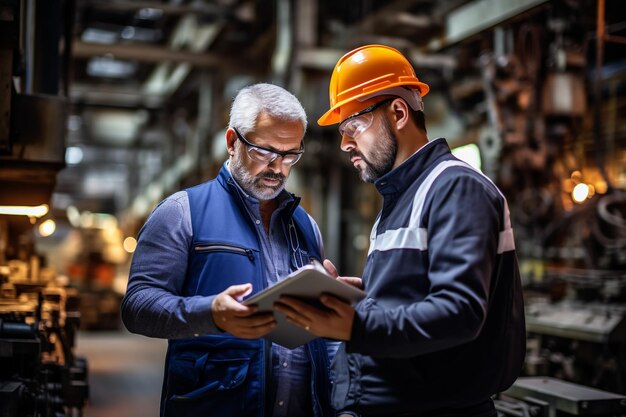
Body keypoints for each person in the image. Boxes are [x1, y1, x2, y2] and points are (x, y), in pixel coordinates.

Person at [274, 44, 526, 417]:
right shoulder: (399, 199)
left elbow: (459, 312)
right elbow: (412, 295)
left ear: (397, 112)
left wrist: (355, 324)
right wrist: (352, 294)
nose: (345, 144)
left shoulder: (456, 188)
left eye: (353, 127)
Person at [121, 83, 342, 417]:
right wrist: (210, 314)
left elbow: (320, 335)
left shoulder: (306, 226)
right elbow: (137, 306)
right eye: (264, 151)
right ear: (232, 142)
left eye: (290, 154)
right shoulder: (182, 212)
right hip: (216, 404)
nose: (278, 167)